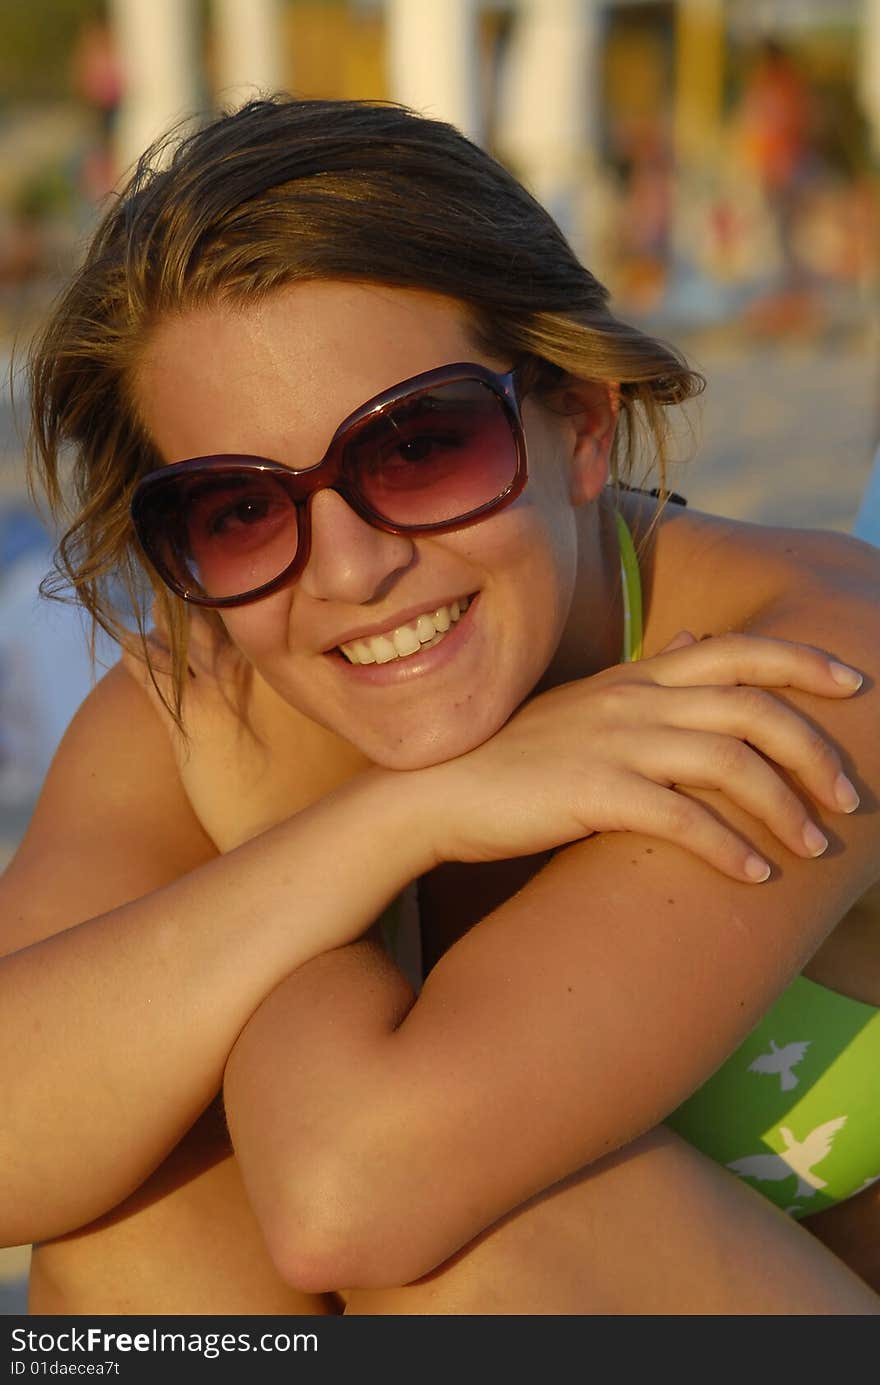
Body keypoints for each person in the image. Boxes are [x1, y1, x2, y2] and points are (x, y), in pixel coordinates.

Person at [3, 96, 879, 1316]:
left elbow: (350, 1192)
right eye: (238, 509)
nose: (351, 569)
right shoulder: (223, 683)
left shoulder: (817, 661)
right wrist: (384, 825)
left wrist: (275, 853)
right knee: (136, 1221)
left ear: (577, 421)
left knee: (473, 1240)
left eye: (418, 446)